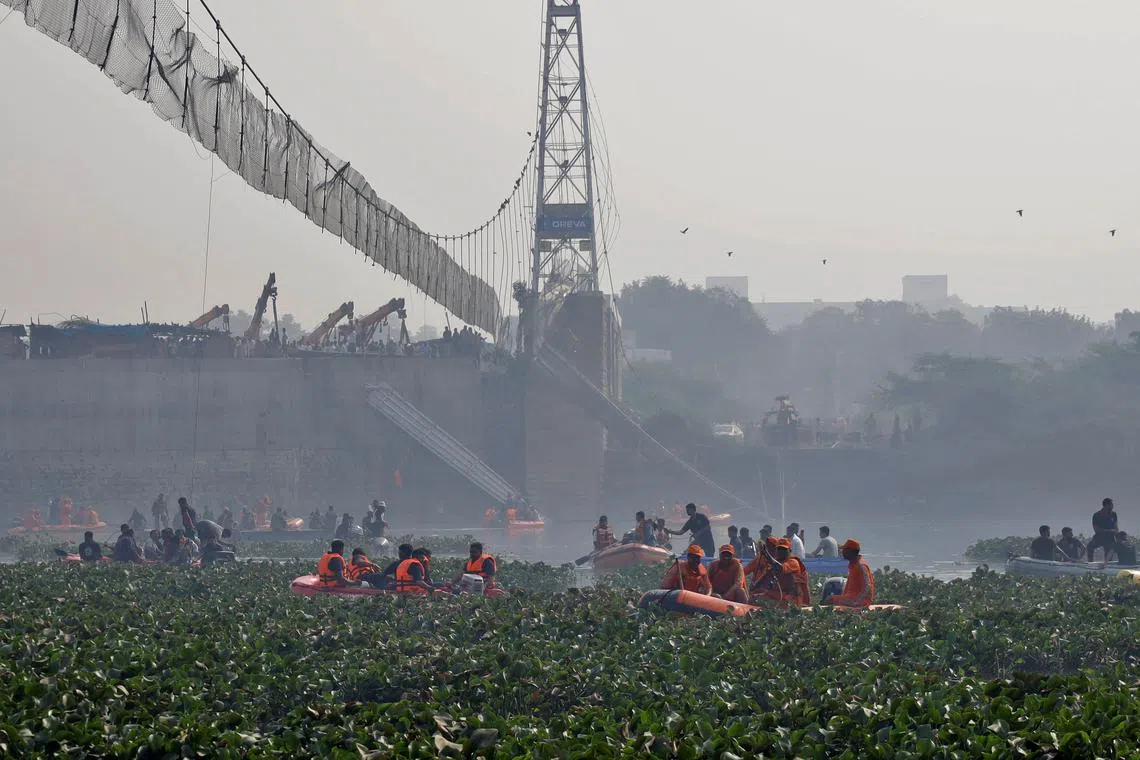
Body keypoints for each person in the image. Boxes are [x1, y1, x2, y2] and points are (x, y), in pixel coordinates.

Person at [754, 538, 810, 607]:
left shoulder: (793, 562)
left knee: (763, 601)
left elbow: (779, 567)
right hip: (778, 595)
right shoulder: (774, 563)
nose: (781, 552)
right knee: (754, 598)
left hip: (791, 598)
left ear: (790, 551)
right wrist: (755, 586)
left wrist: (766, 554)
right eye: (779, 549)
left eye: (784, 550)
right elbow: (764, 578)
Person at [821, 538, 875, 608]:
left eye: (844, 550)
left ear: (850, 552)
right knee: (829, 598)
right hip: (850, 597)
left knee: (830, 599)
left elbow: (867, 586)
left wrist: (857, 602)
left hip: (859, 601)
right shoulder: (853, 564)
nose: (842, 552)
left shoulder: (861, 566)